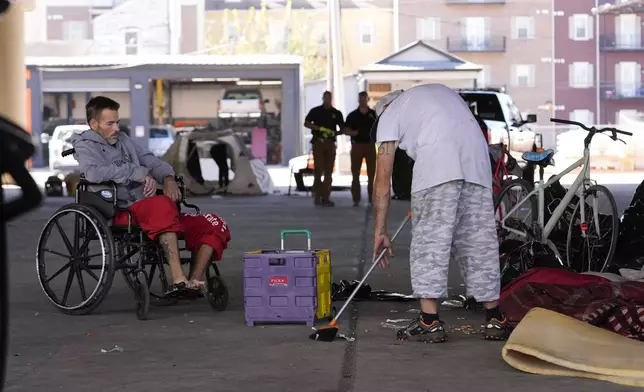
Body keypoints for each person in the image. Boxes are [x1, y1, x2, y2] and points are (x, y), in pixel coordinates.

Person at [370, 84, 509, 343]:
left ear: (383, 110)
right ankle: (495, 318)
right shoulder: (432, 96)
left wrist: (381, 230)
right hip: (477, 162)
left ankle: (429, 321)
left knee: (429, 242)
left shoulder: (389, 115)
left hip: (437, 165)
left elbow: (382, 182)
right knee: (478, 242)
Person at [70, 96, 231, 296]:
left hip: (153, 210)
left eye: (117, 122)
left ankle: (194, 281)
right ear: (94, 124)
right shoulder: (86, 145)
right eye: (110, 123)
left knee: (214, 223)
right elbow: (92, 173)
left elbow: (152, 162)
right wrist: (137, 172)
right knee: (162, 205)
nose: (116, 128)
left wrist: (169, 178)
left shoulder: (124, 140)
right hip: (121, 210)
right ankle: (178, 280)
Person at [304, 91, 345, 207]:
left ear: (331, 99)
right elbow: (306, 123)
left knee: (328, 172)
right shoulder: (316, 111)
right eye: (325, 98)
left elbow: (343, 128)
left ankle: (326, 197)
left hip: (330, 143)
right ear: (322, 98)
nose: (327, 100)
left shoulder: (336, 113)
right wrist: (318, 128)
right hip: (318, 142)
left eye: (329, 98)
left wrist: (334, 133)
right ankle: (317, 196)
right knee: (318, 170)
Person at [343, 91, 377, 207]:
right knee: (355, 173)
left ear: (368, 100)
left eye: (365, 99)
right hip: (357, 145)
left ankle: (372, 198)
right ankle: (356, 199)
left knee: (372, 174)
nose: (363, 101)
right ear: (358, 100)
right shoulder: (353, 115)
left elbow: (381, 128)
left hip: (370, 145)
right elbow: (345, 131)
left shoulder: (374, 114)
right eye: (361, 99)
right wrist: (354, 132)